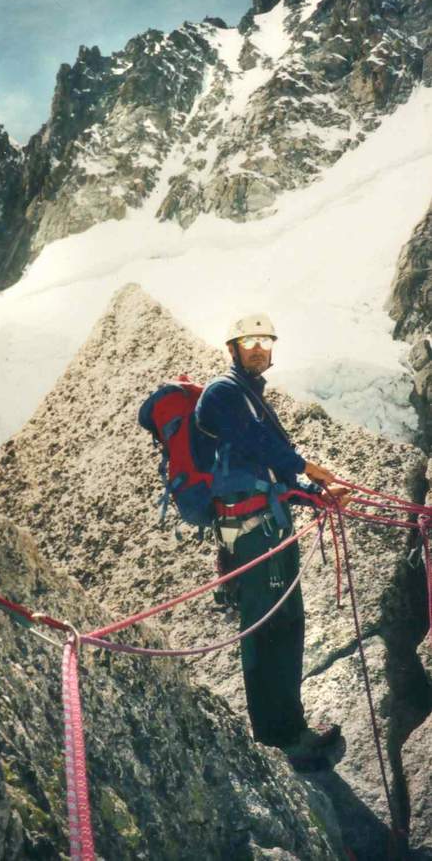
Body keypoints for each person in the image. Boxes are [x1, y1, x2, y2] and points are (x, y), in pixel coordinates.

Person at [194, 312, 344, 766]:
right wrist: (310, 467)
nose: (258, 348)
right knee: (265, 627)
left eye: (265, 340)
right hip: (251, 534)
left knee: (289, 623)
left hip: (272, 527)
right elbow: (257, 443)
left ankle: (293, 727)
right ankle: (276, 740)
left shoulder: (251, 397)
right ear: (232, 348)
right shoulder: (223, 393)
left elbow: (273, 468)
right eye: (249, 341)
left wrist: (316, 494)